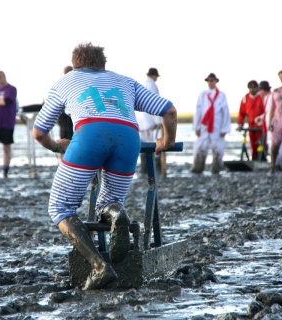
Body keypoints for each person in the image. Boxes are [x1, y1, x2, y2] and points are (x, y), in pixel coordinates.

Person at [32, 42, 177, 290]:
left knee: (60, 207)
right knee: (109, 202)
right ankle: (116, 213)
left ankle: (100, 267)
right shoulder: (125, 81)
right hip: (129, 139)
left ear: (75, 63)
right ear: (103, 64)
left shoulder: (64, 82)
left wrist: (57, 147)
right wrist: (167, 141)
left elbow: (38, 132)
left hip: (89, 135)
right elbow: (169, 110)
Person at [191, 73, 231, 174]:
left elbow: (225, 112)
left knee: (218, 147)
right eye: (209, 80)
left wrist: (225, 128)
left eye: (212, 80)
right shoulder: (203, 94)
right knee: (201, 146)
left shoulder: (222, 95)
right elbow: (198, 111)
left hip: (217, 125)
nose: (210, 82)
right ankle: (197, 168)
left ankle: (216, 168)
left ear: (216, 81)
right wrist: (197, 127)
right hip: (205, 125)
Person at [255, 80, 282, 170]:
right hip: (274, 125)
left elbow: (274, 112)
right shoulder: (268, 98)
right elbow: (268, 113)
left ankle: (277, 164)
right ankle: (279, 164)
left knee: (275, 145)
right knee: (276, 145)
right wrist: (261, 118)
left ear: (262, 90)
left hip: (276, 125)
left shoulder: (272, 98)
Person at [136, 67, 163, 173]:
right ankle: (152, 169)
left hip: (140, 121)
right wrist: (158, 121)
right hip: (148, 121)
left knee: (143, 146)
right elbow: (155, 103)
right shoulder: (151, 85)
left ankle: (144, 169)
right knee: (152, 146)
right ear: (154, 76)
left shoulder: (141, 84)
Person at [237, 80, 265, 160]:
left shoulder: (262, 96)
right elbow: (242, 113)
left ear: (257, 88)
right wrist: (240, 124)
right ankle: (254, 158)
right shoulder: (245, 98)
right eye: (250, 88)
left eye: (254, 87)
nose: (252, 89)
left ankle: (262, 158)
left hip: (261, 125)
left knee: (261, 143)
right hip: (251, 125)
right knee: (252, 144)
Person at [56, 66, 74, 161]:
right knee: (72, 141)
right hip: (69, 118)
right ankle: (69, 162)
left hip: (63, 118)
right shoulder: (74, 85)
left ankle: (63, 163)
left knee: (63, 140)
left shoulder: (60, 85)